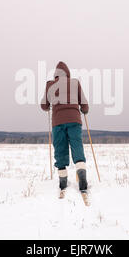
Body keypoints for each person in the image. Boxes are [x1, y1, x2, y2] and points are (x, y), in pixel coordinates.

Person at [41, 61, 89, 198]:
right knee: (76, 144)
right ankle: (81, 172)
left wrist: (48, 105)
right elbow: (84, 102)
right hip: (74, 119)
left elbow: (44, 105)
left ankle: (62, 180)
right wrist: (84, 110)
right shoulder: (75, 83)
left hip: (58, 122)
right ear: (68, 73)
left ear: (55, 74)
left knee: (60, 148)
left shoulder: (50, 85)